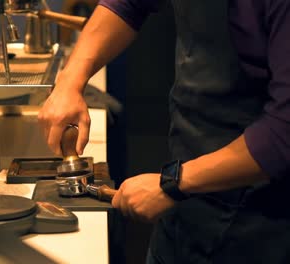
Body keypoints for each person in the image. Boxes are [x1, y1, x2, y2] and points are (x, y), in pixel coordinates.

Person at [38, 0, 290, 263]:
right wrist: (70, 82)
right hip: (183, 202)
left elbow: (283, 131)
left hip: (256, 227)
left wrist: (173, 183)